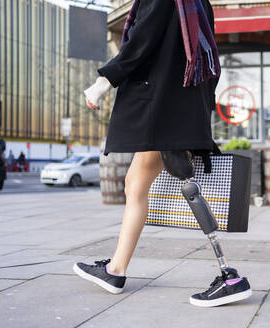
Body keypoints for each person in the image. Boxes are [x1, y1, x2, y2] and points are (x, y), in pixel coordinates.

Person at [73, 0, 251, 307]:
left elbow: (141, 42)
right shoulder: (197, 3)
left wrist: (103, 82)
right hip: (179, 108)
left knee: (187, 188)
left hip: (163, 109)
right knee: (136, 184)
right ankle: (116, 269)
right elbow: (207, 60)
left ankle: (229, 276)